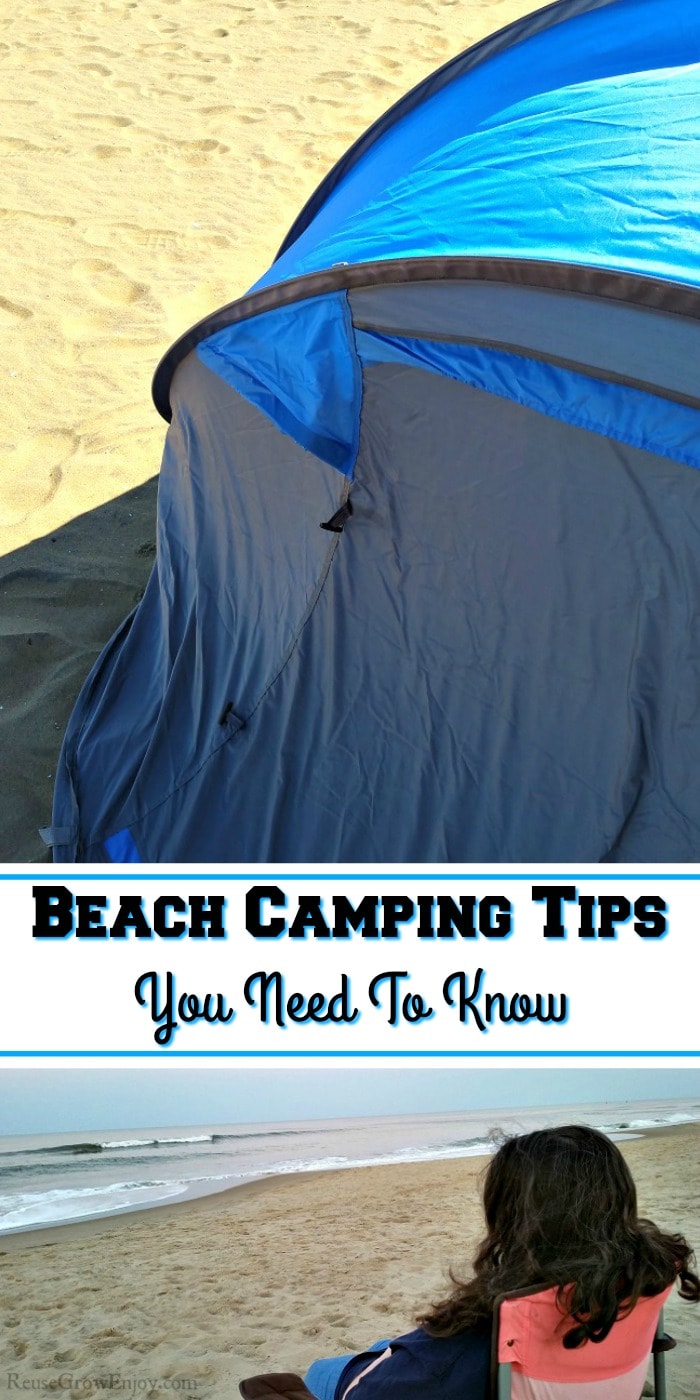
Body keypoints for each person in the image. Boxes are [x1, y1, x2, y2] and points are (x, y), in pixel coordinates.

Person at [304, 1125, 700, 1400]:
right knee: (383, 1346)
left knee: (320, 1370)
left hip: (419, 1378)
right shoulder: (644, 1277)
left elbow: (377, 1393)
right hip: (590, 1378)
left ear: (508, 1215)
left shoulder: (495, 1330)